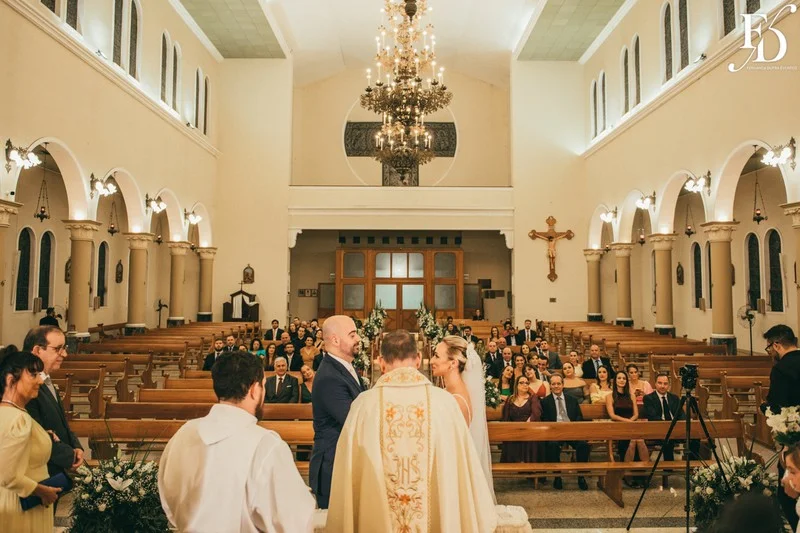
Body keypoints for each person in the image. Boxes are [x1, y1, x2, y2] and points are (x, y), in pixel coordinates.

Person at [327, 330, 497, 533]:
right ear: (418, 360)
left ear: (380, 362)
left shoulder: (363, 406)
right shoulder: (445, 404)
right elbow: (459, 471)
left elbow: (348, 471)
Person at [158, 352, 314, 532]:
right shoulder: (266, 445)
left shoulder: (183, 434)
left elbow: (168, 503)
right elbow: (296, 523)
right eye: (263, 386)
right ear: (254, 389)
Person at [0, 348, 62, 531]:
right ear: (11, 380)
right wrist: (42, 491)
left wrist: (42, 437)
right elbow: (8, 475)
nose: (40, 381)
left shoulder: (9, 413)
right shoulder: (19, 419)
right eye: (33, 374)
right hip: (21, 506)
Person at [309, 315, 364, 509]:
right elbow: (355, 419)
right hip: (333, 467)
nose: (358, 339)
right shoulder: (329, 377)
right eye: (352, 334)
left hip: (344, 462)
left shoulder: (344, 367)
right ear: (335, 340)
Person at [432, 336, 496, 501]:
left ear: (453, 363)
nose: (432, 360)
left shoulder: (457, 400)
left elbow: (450, 447)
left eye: (437, 356)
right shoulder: (449, 393)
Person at [23, 327, 84, 477]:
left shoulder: (46, 379)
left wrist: (76, 446)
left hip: (56, 468)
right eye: (58, 349)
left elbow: (61, 422)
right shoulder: (26, 387)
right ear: (37, 350)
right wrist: (70, 457)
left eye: (64, 348)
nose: (64, 354)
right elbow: (35, 436)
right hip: (41, 472)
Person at [762, 324, 800, 530]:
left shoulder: (781, 368)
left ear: (776, 345)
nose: (770, 352)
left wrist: (765, 407)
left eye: (769, 347)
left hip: (793, 438)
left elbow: (777, 405)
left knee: (786, 491)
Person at [541, 374, 590, 490]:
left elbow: (579, 416)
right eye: (553, 384)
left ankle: (581, 476)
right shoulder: (545, 402)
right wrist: (556, 428)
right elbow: (545, 419)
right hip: (555, 432)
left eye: (559, 384)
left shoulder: (572, 400)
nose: (556, 386)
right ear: (550, 386)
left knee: (583, 445)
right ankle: (557, 476)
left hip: (571, 430)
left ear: (563, 385)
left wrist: (572, 426)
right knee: (552, 445)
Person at [641, 372, 699, 462]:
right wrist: (668, 426)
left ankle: (693, 467)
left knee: (695, 437)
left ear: (669, 385)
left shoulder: (674, 398)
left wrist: (680, 426)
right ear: (655, 384)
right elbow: (653, 417)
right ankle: (668, 468)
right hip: (659, 429)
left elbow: (681, 415)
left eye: (665, 383)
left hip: (676, 428)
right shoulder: (648, 398)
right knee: (668, 439)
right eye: (660, 383)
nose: (662, 386)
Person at [606, 371, 648, 486]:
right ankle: (628, 474)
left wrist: (631, 422)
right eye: (619, 378)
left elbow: (636, 414)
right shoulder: (610, 396)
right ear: (615, 381)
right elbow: (612, 415)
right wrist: (628, 422)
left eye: (624, 378)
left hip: (632, 425)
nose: (621, 380)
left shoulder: (631, 395)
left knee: (639, 440)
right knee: (632, 441)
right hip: (619, 426)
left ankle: (643, 473)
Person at [501, 374, 542, 464]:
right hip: (513, 430)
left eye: (527, 383)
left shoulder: (533, 397)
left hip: (529, 429)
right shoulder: (510, 399)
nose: (525, 385)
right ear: (516, 385)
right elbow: (506, 417)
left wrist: (525, 426)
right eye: (522, 383)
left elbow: (536, 414)